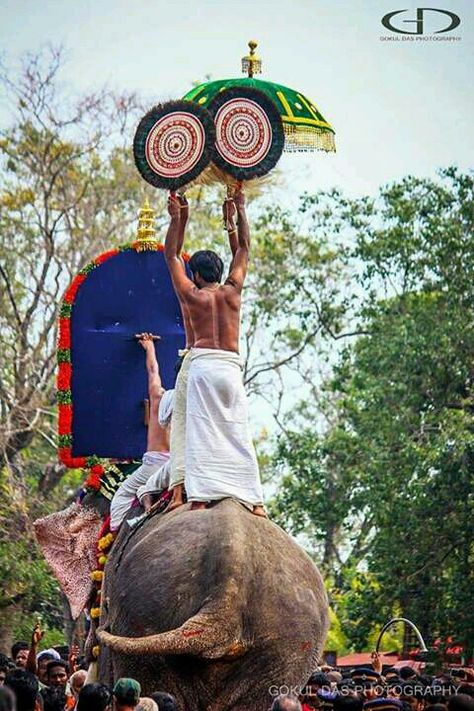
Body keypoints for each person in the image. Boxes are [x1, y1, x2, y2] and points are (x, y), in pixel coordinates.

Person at [164, 189, 265, 516]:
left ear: (196, 274)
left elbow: (171, 255)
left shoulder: (192, 294)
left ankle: (201, 495)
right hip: (232, 369)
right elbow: (244, 249)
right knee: (238, 431)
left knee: (202, 431)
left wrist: (179, 218)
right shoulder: (233, 290)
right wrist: (237, 213)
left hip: (204, 366)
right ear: (220, 273)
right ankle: (256, 501)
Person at [110, 334, 173, 530]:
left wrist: (149, 347)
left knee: (120, 496)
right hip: (177, 465)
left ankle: (117, 533)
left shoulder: (157, 397)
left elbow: (153, 370)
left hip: (153, 466)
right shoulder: (185, 406)